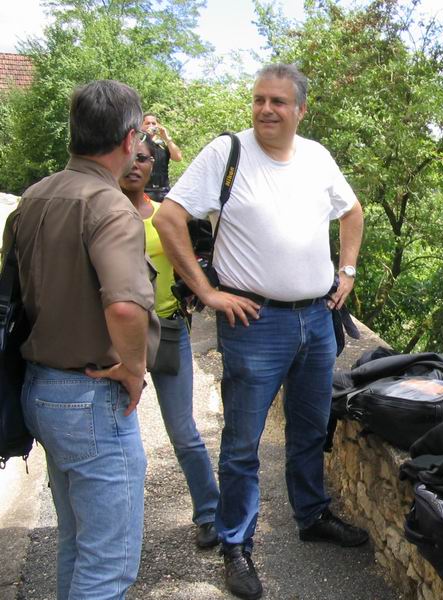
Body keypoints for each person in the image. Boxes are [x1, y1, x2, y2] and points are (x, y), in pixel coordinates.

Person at [153, 63, 366, 600]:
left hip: (316, 318)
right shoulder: (226, 153)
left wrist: (347, 271)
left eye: (278, 101)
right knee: (242, 444)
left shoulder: (316, 157)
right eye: (259, 99)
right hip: (255, 323)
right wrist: (206, 292)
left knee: (310, 429)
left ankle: (312, 514)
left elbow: (352, 211)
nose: (266, 109)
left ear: (301, 110)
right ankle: (236, 544)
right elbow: (167, 219)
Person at [6, 80, 160, 599]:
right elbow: (125, 305)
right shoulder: (109, 205)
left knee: (78, 544)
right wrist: (133, 369)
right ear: (130, 138)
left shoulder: (34, 197)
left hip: (41, 387)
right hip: (89, 396)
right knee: (108, 566)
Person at [118, 134, 220, 549]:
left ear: (152, 165)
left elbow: (195, 260)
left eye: (144, 158)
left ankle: (210, 514)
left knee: (183, 432)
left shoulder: (165, 216)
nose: (135, 165)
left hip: (167, 330)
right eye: (129, 157)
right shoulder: (100, 213)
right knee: (117, 437)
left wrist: (195, 290)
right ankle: (118, 524)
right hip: (114, 337)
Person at [141, 113, 182, 201]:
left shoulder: (163, 144)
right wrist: (146, 137)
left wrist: (167, 138)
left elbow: (178, 157)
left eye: (153, 123)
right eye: (147, 123)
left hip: (163, 191)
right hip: (143, 191)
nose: (151, 126)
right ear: (141, 126)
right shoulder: (138, 143)